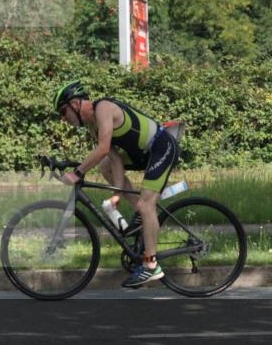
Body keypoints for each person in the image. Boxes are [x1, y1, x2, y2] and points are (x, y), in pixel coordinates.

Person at [52, 80, 178, 289]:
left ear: (75, 103)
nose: (64, 119)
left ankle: (151, 265)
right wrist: (118, 194)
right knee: (105, 166)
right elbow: (114, 160)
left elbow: (102, 148)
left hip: (161, 146)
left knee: (148, 206)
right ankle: (141, 212)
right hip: (142, 153)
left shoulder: (103, 109)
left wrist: (77, 173)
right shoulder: (93, 126)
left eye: (64, 112)